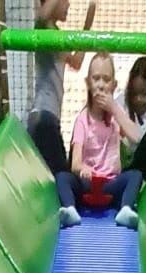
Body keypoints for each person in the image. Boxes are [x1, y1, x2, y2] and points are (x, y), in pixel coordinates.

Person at [55, 53, 145, 229]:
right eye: (96, 79)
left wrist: (114, 110)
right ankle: (70, 209)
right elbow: (75, 164)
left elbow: (137, 137)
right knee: (62, 177)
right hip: (88, 185)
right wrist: (83, 169)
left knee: (136, 175)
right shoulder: (83, 120)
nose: (101, 85)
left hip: (110, 185)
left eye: (106, 79)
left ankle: (125, 209)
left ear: (114, 85)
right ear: (88, 83)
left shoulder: (116, 117)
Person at [26, 0, 97, 179]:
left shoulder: (56, 35)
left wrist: (87, 26)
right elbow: (42, 15)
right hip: (43, 116)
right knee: (62, 176)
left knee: (54, 176)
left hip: (50, 117)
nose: (69, 5)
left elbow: (76, 62)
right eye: (64, 1)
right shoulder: (42, 29)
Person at [116, 55, 146, 183]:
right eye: (134, 94)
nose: (138, 99)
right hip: (124, 167)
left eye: (143, 93)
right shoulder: (121, 104)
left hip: (143, 166)